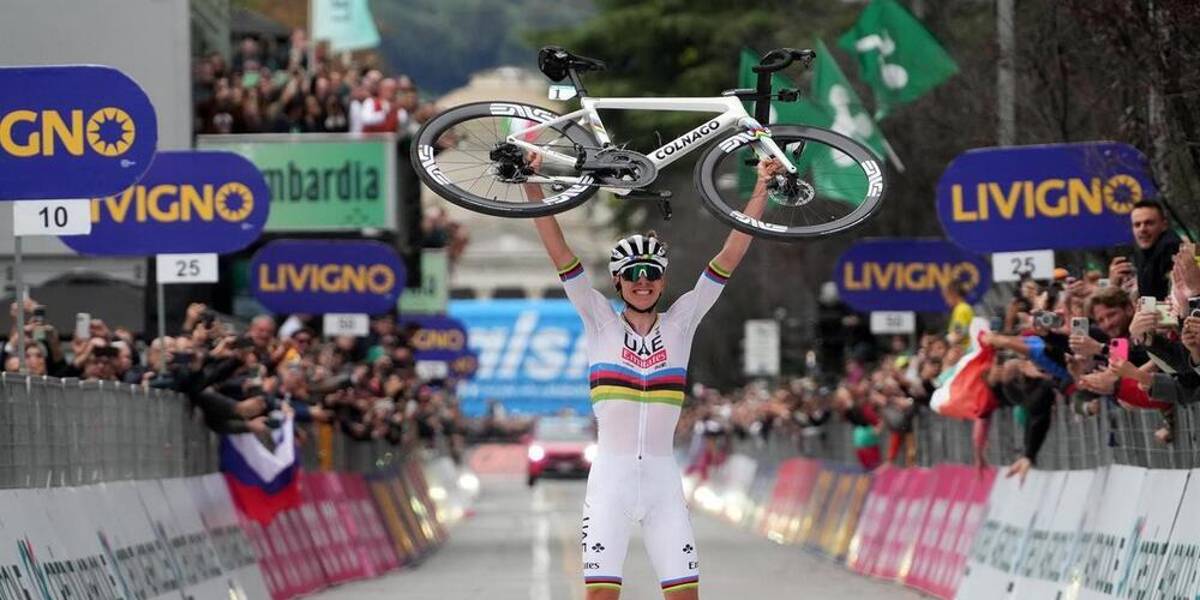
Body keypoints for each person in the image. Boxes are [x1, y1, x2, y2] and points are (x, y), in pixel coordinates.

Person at [531, 157, 783, 599]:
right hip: (611, 480)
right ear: (618, 281)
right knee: (601, 595)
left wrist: (761, 187)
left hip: (664, 482)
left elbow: (730, 255)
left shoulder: (681, 322)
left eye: (651, 276)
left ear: (663, 282)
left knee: (685, 595)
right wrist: (532, 184)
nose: (642, 283)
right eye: (632, 276)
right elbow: (560, 253)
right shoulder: (599, 322)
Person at [1109, 200, 1181, 300]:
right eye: (1137, 225)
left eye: (1149, 223)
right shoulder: (1143, 253)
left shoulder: (1170, 248)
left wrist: (1112, 289)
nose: (1142, 229)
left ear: (1164, 225)